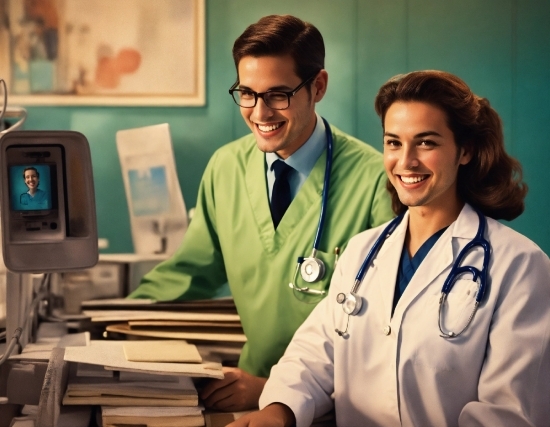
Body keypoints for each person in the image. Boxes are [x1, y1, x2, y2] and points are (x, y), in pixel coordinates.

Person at [232, 70, 550, 426]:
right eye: (394, 143)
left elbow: (509, 413)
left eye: (426, 143)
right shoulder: (362, 250)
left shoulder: (520, 265)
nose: (406, 161)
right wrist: (280, 411)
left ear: (466, 151)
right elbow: (315, 353)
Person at [128, 14, 393, 411]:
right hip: (243, 391)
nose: (259, 112)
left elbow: (382, 332)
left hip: (338, 405)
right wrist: (108, 322)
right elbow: (191, 272)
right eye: (247, 93)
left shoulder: (375, 180)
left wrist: (274, 389)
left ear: (317, 86)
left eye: (277, 94)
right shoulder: (226, 167)